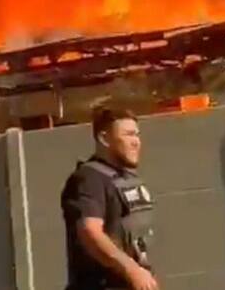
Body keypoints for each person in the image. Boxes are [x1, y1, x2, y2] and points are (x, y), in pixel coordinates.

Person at [60, 106, 157, 290]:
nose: (136, 142)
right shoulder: (89, 178)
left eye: (137, 135)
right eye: (128, 135)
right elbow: (90, 231)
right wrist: (132, 270)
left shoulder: (124, 178)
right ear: (104, 138)